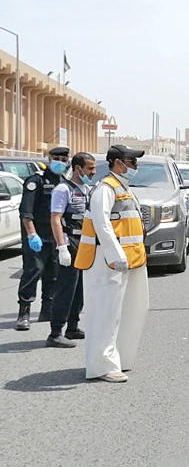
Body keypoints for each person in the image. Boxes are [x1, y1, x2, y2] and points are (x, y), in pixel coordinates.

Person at [74, 145, 148, 383]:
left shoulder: (120, 186)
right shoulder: (105, 188)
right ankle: (101, 366)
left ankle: (116, 359)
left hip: (123, 260)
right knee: (105, 314)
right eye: (132, 162)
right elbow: (102, 223)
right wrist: (115, 254)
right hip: (106, 261)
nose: (135, 167)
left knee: (121, 313)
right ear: (118, 163)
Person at [15, 146, 70, 331]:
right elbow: (26, 212)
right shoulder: (35, 181)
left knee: (53, 274)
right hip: (37, 236)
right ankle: (24, 313)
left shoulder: (63, 182)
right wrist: (31, 234)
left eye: (64, 159)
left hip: (56, 236)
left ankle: (47, 310)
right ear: (49, 159)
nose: (60, 162)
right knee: (32, 272)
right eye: (57, 158)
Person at [46, 152, 96, 348]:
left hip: (84, 241)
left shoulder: (86, 188)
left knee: (80, 288)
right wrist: (61, 247)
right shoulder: (62, 189)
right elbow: (55, 219)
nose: (93, 172)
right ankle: (55, 332)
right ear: (77, 168)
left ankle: (73, 326)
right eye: (89, 168)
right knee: (66, 288)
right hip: (70, 241)